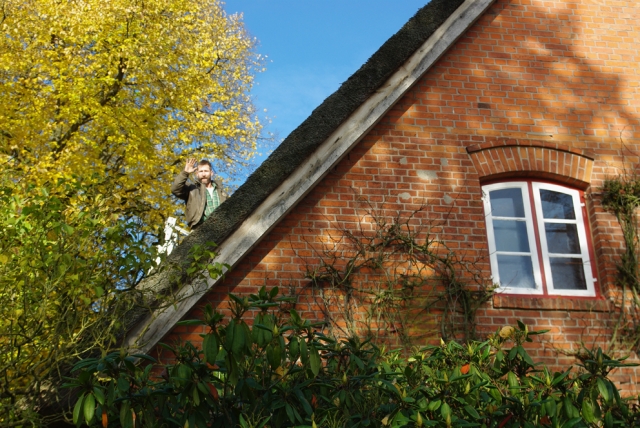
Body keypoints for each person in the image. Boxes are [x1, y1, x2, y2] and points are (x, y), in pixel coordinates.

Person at [171, 159, 226, 229]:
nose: (203, 174)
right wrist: (185, 173)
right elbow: (175, 189)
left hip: (222, 227)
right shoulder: (192, 189)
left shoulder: (221, 191)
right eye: (201, 171)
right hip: (200, 229)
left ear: (211, 173)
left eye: (206, 171)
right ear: (197, 174)